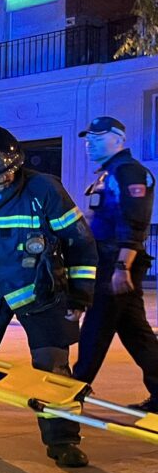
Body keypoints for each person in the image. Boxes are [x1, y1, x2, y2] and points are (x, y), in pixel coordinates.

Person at [0, 124, 98, 466]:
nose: (1, 180)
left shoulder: (44, 189)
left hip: (41, 292)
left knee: (52, 370)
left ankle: (63, 441)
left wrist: (80, 297)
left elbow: (81, 244)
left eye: (6, 172)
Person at [73, 116, 158, 413]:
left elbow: (133, 220)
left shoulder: (129, 171)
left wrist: (123, 267)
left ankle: (73, 392)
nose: (89, 143)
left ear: (118, 139)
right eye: (88, 139)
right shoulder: (110, 172)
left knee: (95, 329)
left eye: (97, 138)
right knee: (136, 334)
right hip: (107, 263)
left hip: (115, 264)